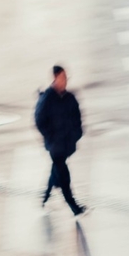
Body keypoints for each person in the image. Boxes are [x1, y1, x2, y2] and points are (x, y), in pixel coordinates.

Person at [35, 65, 88, 217]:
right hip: (55, 146)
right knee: (64, 175)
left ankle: (44, 197)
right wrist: (50, 138)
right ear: (55, 78)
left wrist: (77, 134)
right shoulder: (47, 99)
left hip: (67, 144)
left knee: (56, 171)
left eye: (66, 78)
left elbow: (78, 117)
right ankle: (74, 207)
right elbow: (39, 120)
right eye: (62, 78)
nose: (65, 81)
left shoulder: (70, 98)